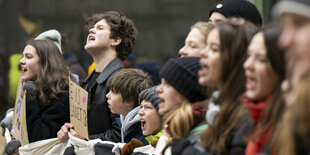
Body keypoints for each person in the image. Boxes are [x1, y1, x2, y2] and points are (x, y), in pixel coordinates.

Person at [57, 11, 138, 142]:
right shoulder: (89, 80)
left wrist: (86, 139)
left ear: (116, 40)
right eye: (92, 28)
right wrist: (69, 129)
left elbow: (122, 135)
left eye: (100, 28)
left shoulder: (119, 80)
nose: (91, 30)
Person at [198, 18, 259, 154]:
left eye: (214, 49)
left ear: (236, 60)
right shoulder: (220, 109)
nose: (203, 52)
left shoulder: (244, 123)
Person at [242, 23, 286, 155]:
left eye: (261, 59)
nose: (247, 65)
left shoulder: (293, 130)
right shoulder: (256, 118)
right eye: (249, 55)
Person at [19, 39, 70, 143]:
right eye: (22, 56)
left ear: (45, 62)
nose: (21, 61)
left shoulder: (61, 95)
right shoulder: (36, 89)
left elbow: (39, 140)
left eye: (28, 57)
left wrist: (30, 99)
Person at [154, 57, 208, 154]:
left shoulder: (202, 137)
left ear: (187, 93)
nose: (158, 89)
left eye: (168, 84)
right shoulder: (174, 131)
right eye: (161, 83)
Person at [107, 68, 153, 145]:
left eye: (114, 92)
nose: (107, 95)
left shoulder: (143, 131)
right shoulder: (123, 122)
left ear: (129, 100)